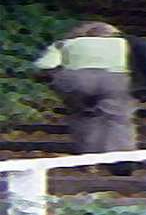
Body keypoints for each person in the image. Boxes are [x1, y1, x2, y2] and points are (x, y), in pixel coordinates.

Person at [33, 21, 138, 171]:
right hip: (115, 79)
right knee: (118, 118)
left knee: (83, 117)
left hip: (76, 80)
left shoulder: (65, 43)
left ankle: (88, 160)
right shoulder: (124, 43)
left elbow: (45, 65)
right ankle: (122, 160)